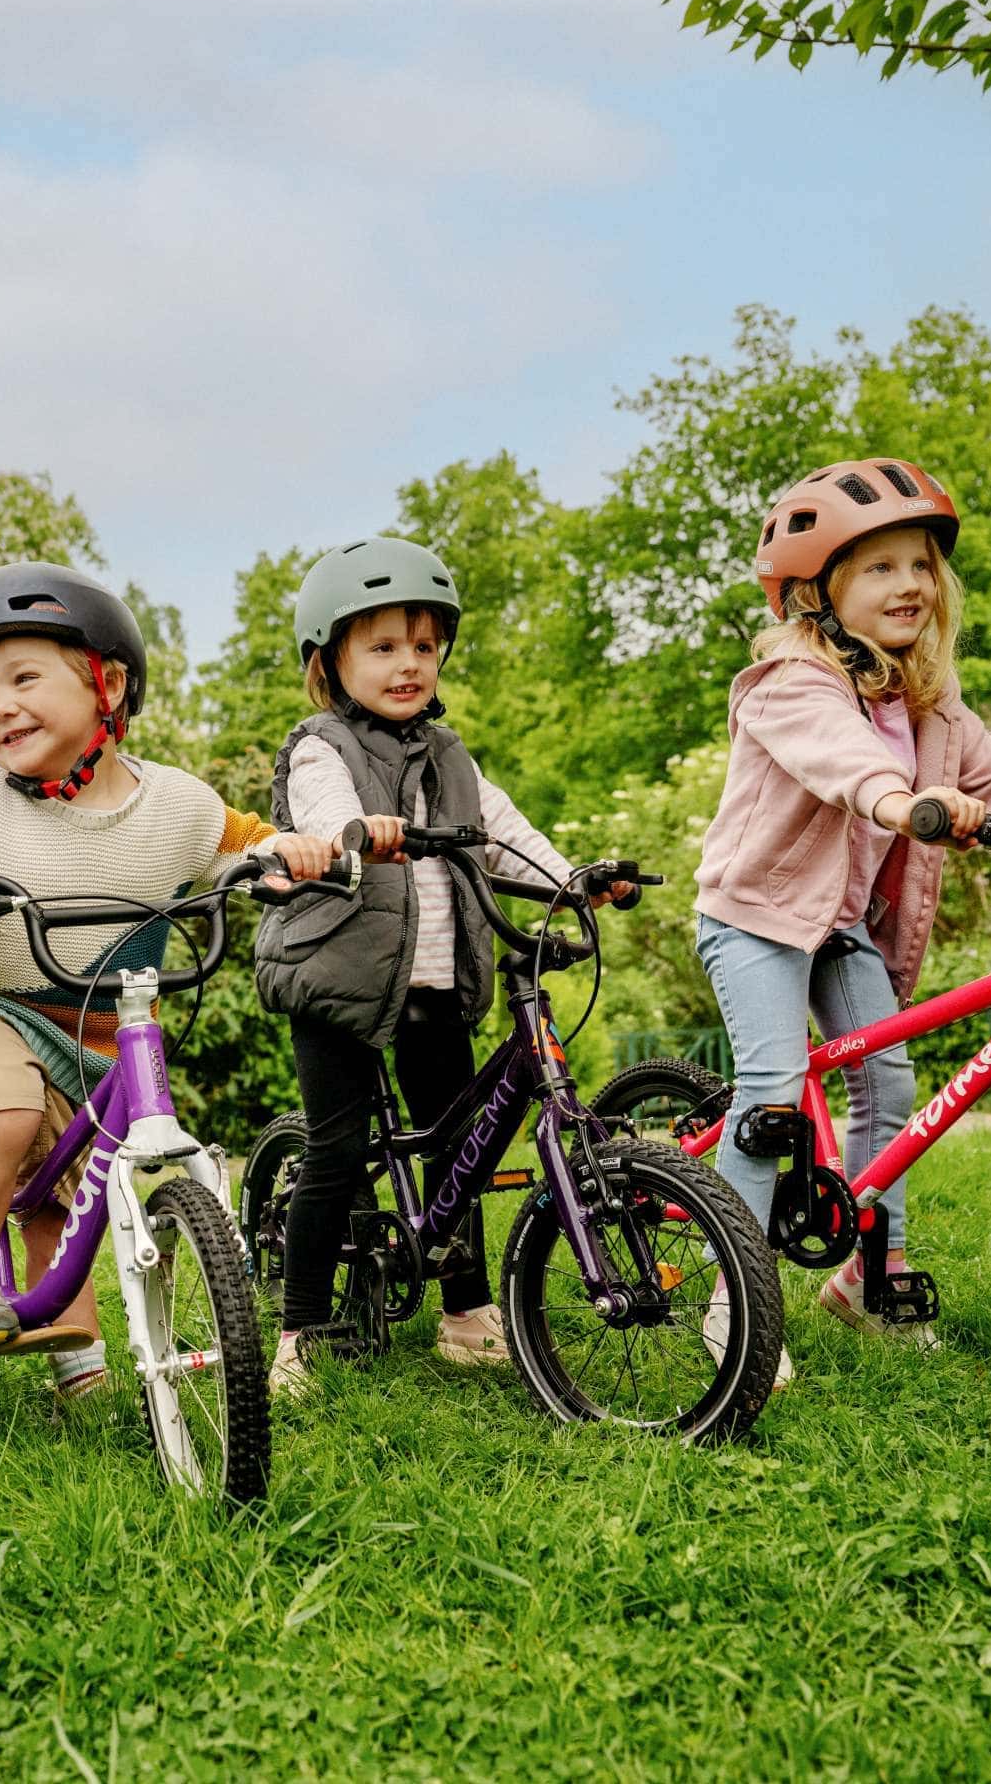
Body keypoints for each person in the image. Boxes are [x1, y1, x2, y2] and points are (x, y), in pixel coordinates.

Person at [0, 563, 335, 1397]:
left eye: (23, 679)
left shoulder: (178, 805)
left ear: (107, 685)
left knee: (77, 1185)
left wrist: (284, 855)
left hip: (99, 1026)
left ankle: (80, 1370)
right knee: (10, 1115)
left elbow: (246, 842)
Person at [695, 457, 991, 1380]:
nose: (911, 584)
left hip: (841, 926)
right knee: (770, 1095)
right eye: (880, 567)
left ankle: (870, 1278)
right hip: (758, 916)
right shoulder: (786, 682)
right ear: (817, 589)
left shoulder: (926, 700)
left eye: (921, 564)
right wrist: (900, 799)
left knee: (886, 1086)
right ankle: (736, 1298)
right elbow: (839, 759)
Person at [256, 536, 627, 1399]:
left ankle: (466, 1316)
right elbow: (323, 812)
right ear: (330, 660)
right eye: (383, 647)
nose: (408, 664)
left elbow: (505, 831)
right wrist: (356, 833)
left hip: (434, 983)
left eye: (423, 646)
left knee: (457, 1146)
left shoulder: (453, 755)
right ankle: (301, 1330)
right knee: (338, 1151)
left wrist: (573, 881)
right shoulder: (320, 747)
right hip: (339, 979)